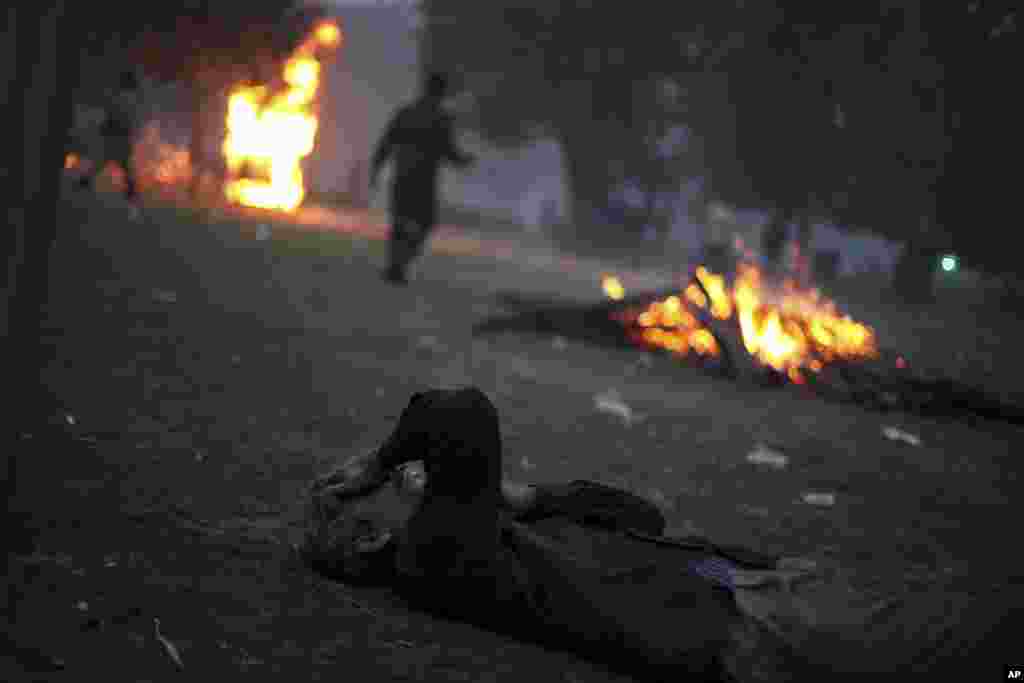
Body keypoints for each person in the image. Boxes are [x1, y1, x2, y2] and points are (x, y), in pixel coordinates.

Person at [369, 73, 475, 285]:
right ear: (441, 93)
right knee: (425, 223)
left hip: (402, 176)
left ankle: (395, 265)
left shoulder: (406, 113)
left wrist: (376, 169)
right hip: (423, 181)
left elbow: (386, 143)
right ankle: (402, 262)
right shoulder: (441, 120)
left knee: (399, 222)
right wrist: (465, 161)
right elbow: (449, 151)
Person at [76, 70, 141, 203]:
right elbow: (124, 118)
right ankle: (130, 190)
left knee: (107, 162)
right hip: (119, 135)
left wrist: (105, 128)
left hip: (116, 135)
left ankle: (85, 181)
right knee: (120, 164)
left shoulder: (120, 97)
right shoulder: (129, 99)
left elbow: (114, 116)